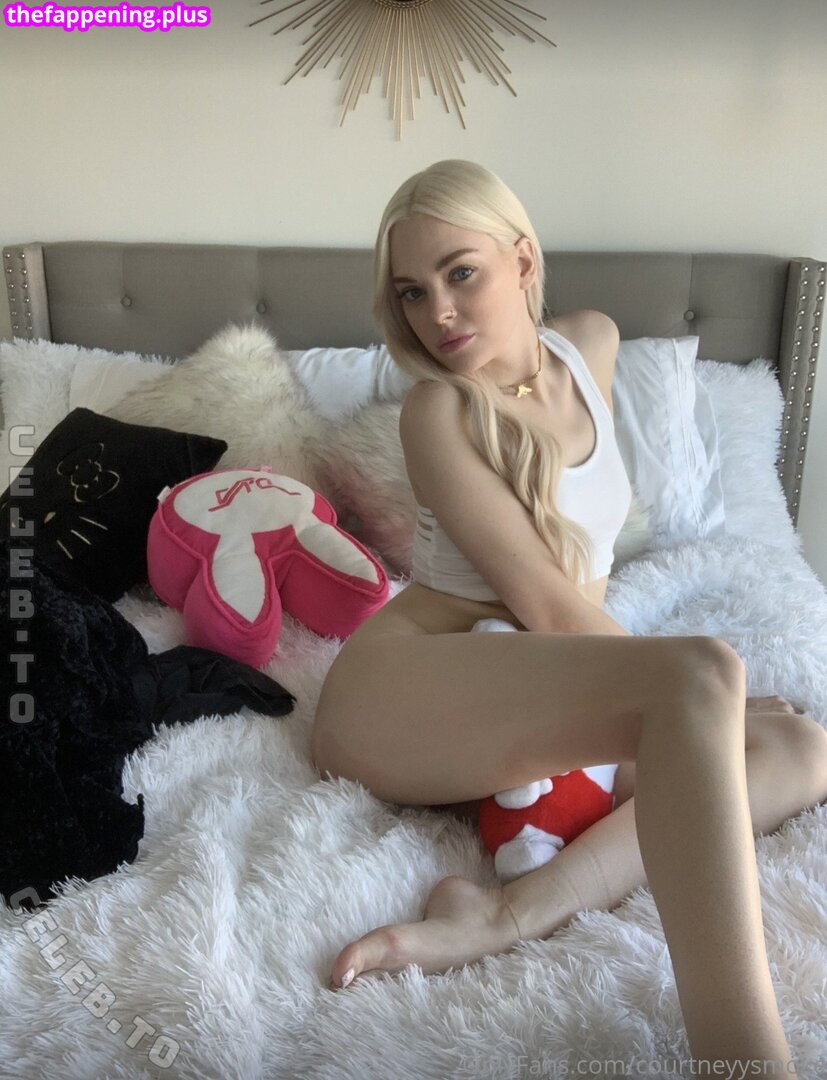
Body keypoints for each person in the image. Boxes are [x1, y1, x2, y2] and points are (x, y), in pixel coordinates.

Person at [310, 159, 827, 1072]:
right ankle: (746, 1063)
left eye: (460, 273)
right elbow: (549, 605)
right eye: (413, 292)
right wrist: (713, 704)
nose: (439, 313)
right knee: (703, 675)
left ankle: (508, 912)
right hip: (405, 691)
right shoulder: (437, 411)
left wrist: (712, 710)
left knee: (800, 751)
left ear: (521, 260)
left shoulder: (589, 345)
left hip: (527, 687)